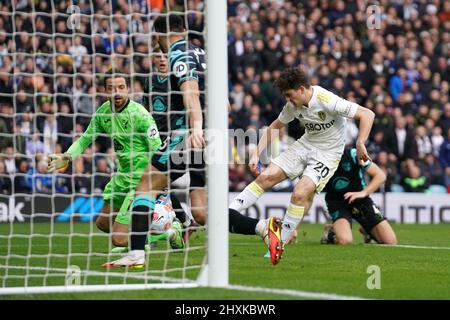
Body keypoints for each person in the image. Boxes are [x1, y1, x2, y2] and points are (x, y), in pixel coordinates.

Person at [228, 67, 375, 265]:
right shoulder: (292, 106)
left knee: (300, 193)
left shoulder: (326, 99)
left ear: (302, 89)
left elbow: (368, 114)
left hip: (328, 153)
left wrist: (360, 142)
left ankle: (278, 241)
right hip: (306, 144)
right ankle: (229, 213)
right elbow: (274, 127)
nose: (288, 100)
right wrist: (256, 153)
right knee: (265, 177)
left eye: (289, 95)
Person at [103, 14, 207, 267]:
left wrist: (196, 128)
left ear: (158, 36)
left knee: (145, 186)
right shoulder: (201, 53)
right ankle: (260, 226)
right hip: (211, 134)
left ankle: (136, 254)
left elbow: (190, 93)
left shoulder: (178, 53)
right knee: (202, 212)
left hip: (190, 134)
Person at [47, 69, 173, 251]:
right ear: (105, 91)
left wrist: (160, 184)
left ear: (127, 89)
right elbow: (84, 139)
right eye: (112, 88)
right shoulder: (103, 113)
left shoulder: (140, 115)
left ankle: (163, 234)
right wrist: (67, 157)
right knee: (103, 224)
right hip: (121, 178)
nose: (117, 93)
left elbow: (159, 150)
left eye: (121, 87)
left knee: (119, 240)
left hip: (140, 182)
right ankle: (144, 236)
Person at [319, 148, 397, 245]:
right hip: (337, 201)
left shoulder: (354, 154)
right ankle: (332, 232)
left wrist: (363, 193)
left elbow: (380, 176)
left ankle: (367, 231)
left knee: (390, 241)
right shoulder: (319, 158)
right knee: (345, 241)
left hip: (360, 200)